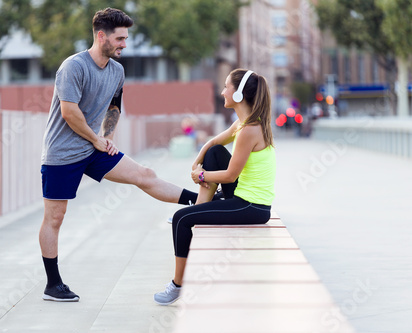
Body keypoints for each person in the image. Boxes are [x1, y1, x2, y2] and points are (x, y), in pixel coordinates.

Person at [39, 8, 199, 302]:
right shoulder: (73, 67)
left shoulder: (117, 71)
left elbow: (114, 107)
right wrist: (96, 139)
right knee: (55, 217)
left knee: (144, 175)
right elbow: (69, 112)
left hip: (94, 148)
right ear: (102, 36)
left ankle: (202, 203)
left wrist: (108, 138)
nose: (125, 44)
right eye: (120, 38)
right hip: (61, 153)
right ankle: (53, 284)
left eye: (126, 38)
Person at [154, 69, 276, 305]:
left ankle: (178, 285)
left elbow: (230, 176)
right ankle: (201, 207)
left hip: (252, 206)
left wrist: (202, 174)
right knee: (214, 151)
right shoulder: (244, 124)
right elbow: (213, 143)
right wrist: (198, 161)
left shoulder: (249, 131)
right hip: (246, 198)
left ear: (238, 95)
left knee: (181, 219)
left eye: (226, 87)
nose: (222, 92)